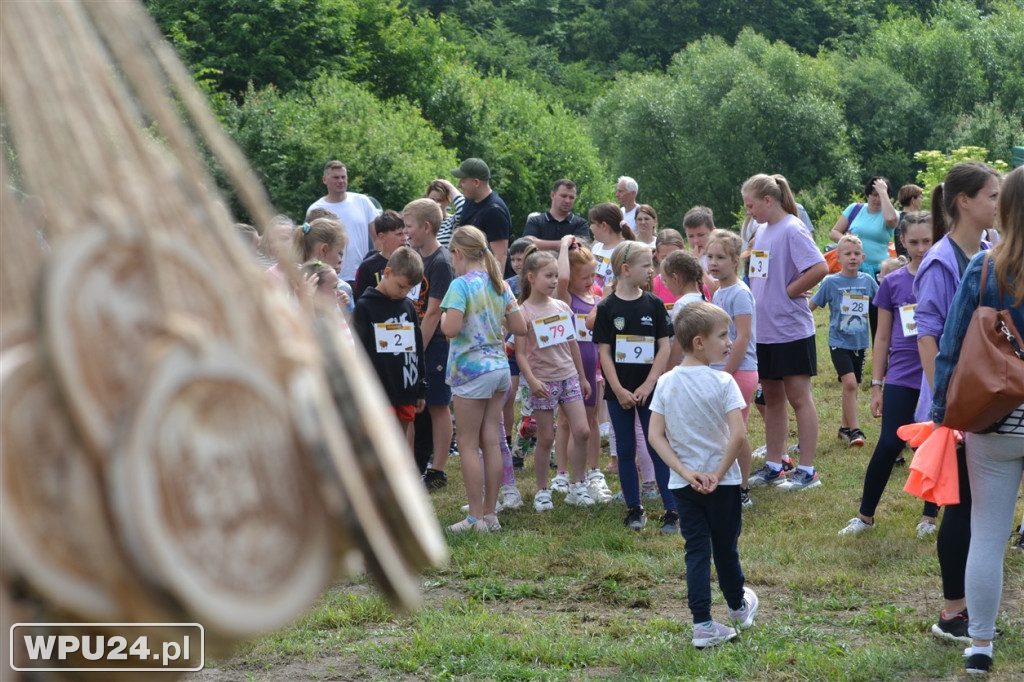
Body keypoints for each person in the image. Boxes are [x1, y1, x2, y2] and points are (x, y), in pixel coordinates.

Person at [930, 164, 1023, 676]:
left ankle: (980, 645)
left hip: (996, 417)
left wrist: (944, 413)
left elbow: (952, 345)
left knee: (986, 535)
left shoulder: (986, 266)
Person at [913, 161, 1001, 647]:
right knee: (962, 508)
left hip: (986, 400)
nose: (997, 203)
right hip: (957, 406)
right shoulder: (942, 261)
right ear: (964, 201)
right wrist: (948, 411)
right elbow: (929, 339)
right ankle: (952, 613)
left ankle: (969, 606)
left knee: (979, 507)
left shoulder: (987, 251)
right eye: (991, 195)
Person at [647, 301, 758, 648]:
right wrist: (718, 473)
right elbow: (738, 436)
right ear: (698, 342)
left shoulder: (665, 382)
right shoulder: (723, 382)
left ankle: (703, 625)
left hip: (684, 484)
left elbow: (654, 436)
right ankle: (738, 607)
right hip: (722, 484)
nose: (730, 342)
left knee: (696, 551)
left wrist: (685, 472)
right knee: (726, 547)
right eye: (724, 335)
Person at [837, 212, 939, 537]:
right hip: (901, 376)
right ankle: (865, 517)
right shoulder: (893, 283)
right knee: (889, 442)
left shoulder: (948, 278)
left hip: (936, 376)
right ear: (902, 242)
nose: (921, 248)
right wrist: (877, 384)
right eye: (914, 242)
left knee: (934, 444)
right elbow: (881, 337)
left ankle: (929, 516)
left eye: (927, 241)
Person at [743, 173, 828, 491]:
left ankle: (807, 471)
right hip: (764, 331)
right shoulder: (761, 231)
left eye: (751, 205)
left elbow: (820, 267)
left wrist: (792, 290)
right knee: (773, 397)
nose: (749, 212)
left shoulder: (792, 228)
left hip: (791, 330)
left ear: (768, 200)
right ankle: (776, 464)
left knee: (799, 397)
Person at [441, 226, 527, 532]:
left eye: (452, 256)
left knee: (466, 443)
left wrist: (442, 317)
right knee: (492, 440)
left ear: (458, 253)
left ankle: (474, 517)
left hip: (470, 372)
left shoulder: (460, 286)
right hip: (499, 369)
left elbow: (450, 329)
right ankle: (491, 515)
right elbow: (521, 325)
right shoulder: (499, 284)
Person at [592, 241, 679, 533]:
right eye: (646, 265)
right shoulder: (607, 308)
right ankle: (634, 508)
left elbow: (664, 347)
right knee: (626, 448)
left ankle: (672, 510)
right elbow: (604, 352)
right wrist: (617, 390)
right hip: (619, 394)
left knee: (658, 446)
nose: (652, 270)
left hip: (649, 391)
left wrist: (649, 384)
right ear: (626, 270)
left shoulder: (653, 304)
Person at [515, 247, 594, 511]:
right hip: (543, 382)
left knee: (582, 430)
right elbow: (520, 354)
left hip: (569, 377)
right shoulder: (523, 312)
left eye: (555, 276)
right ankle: (542, 490)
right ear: (531, 277)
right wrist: (531, 381)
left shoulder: (561, 306)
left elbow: (572, 344)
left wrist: (583, 377)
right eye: (548, 276)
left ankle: (577, 485)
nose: (553, 281)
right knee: (546, 438)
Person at [556, 235, 613, 502]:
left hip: (594, 367)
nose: (590, 282)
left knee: (589, 422)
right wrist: (562, 247)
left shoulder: (597, 296)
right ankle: (563, 472)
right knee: (566, 421)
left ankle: (593, 471)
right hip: (570, 366)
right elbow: (564, 279)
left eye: (593, 276)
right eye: (585, 278)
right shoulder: (565, 296)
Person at [404, 198, 456, 487]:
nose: (406, 231)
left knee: (438, 406)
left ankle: (438, 470)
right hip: (416, 340)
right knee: (414, 406)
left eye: (409, 226)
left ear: (426, 226)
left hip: (432, 344)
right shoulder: (417, 257)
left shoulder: (440, 262)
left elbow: (434, 311)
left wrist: (416, 352)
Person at [705, 229, 758, 508]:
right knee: (724, 431)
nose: (714, 263)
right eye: (710, 256)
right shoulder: (719, 292)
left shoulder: (739, 293)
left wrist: (725, 372)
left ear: (735, 260)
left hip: (739, 370)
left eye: (721, 257)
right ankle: (727, 483)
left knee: (736, 431)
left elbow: (743, 337)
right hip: (721, 369)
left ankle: (743, 489)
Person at [810, 235, 879, 447]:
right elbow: (811, 306)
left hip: (860, 343)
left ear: (863, 257)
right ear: (838, 257)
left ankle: (843, 427)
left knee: (852, 387)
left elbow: (881, 304)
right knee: (849, 383)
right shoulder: (831, 282)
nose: (852, 258)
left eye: (856, 254)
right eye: (847, 254)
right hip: (838, 342)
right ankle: (855, 431)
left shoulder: (867, 281)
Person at [350, 247, 426, 438]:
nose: (404, 292)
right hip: (378, 391)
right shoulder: (365, 306)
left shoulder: (408, 306)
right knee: (381, 443)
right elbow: (358, 351)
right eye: (401, 286)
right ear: (387, 273)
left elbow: (417, 348)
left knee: (400, 442)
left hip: (405, 389)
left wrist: (420, 389)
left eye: (409, 289)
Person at [306, 160, 379, 288]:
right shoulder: (315, 209)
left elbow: (378, 237)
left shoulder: (362, 201)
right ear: (324, 180)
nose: (341, 181)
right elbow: (311, 245)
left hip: (361, 275)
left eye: (343, 177)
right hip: (330, 278)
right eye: (336, 177)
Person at [451, 158, 511, 275]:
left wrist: (494, 291)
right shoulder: (470, 201)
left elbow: (500, 257)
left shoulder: (494, 211)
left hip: (484, 283)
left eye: (463, 180)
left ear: (476, 182)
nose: (459, 185)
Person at [663, 250, 706, 369]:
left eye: (666, 281)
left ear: (675, 278)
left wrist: (669, 368)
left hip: (683, 365)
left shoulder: (682, 304)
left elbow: (679, 342)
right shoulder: (703, 298)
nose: (666, 286)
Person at [352, 209, 407, 300]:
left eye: (405, 233)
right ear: (382, 237)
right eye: (399, 234)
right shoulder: (368, 266)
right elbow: (359, 300)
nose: (404, 238)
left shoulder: (411, 262)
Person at [522, 179, 590, 251]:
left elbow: (583, 247)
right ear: (552, 195)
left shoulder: (581, 223)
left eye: (571, 197)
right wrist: (567, 243)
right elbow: (527, 244)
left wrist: (539, 243)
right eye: (563, 196)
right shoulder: (535, 221)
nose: (567, 201)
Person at [588, 202, 636, 289]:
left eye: (592, 223)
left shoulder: (625, 250)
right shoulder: (596, 247)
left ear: (603, 225)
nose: (590, 227)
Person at [682, 206, 720, 298]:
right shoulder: (685, 259)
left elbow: (716, 293)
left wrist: (698, 265)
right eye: (690, 236)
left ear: (712, 231)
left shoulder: (719, 257)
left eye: (701, 235)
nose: (696, 241)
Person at [424, 179, 464, 249]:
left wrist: (450, 187)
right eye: (432, 200)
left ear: (448, 201)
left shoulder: (452, 222)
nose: (435, 204)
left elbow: (464, 209)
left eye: (439, 200)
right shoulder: (421, 222)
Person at [651, 229, 686, 305]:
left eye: (675, 256)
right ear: (657, 255)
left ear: (684, 251)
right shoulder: (652, 286)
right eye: (664, 258)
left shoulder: (695, 284)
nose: (670, 263)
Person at [894, 183, 925, 259]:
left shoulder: (898, 218)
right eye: (920, 197)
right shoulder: (913, 220)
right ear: (913, 200)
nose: (922, 200)